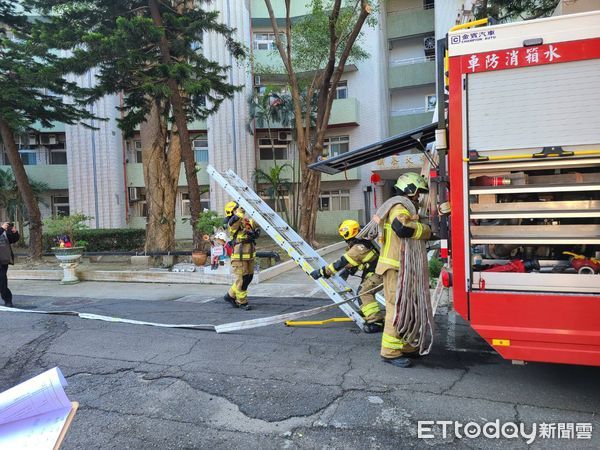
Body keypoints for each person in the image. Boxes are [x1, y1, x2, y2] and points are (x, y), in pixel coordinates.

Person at [374, 172, 431, 368]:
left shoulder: (405, 208)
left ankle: (407, 346)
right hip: (395, 268)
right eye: (417, 194)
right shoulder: (399, 207)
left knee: (410, 307)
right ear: (409, 189)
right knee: (397, 309)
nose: (418, 198)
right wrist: (426, 230)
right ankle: (390, 352)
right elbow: (402, 228)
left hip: (403, 268)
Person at [310, 219, 385, 332]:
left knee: (363, 292)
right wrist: (348, 270)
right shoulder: (363, 241)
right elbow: (355, 261)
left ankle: (376, 322)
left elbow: (341, 262)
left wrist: (321, 272)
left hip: (379, 274)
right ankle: (369, 312)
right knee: (364, 292)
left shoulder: (358, 248)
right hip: (377, 272)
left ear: (347, 233)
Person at [223, 201, 259, 310]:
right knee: (242, 280)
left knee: (249, 277)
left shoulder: (245, 221)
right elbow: (234, 223)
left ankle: (230, 295)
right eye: (237, 208)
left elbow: (256, 223)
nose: (240, 209)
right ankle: (241, 301)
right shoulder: (232, 223)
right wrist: (238, 213)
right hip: (239, 257)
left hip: (249, 255)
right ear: (232, 211)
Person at [0, 222, 20, 307]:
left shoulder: (3, 231)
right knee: (2, 280)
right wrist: (1, 229)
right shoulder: (1, 229)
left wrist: (14, 233)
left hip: (3, 260)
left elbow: (13, 239)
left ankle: (8, 300)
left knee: (2, 280)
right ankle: (7, 299)